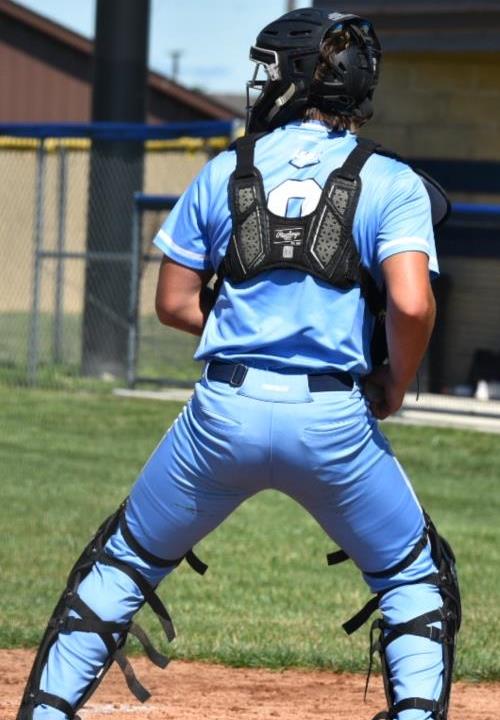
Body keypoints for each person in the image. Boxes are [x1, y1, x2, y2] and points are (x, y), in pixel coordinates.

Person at [18, 8, 460, 720]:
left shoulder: (226, 168)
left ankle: (43, 712)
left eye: (270, 69)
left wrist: (245, 327)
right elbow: (411, 304)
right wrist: (395, 383)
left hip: (221, 414)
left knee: (123, 562)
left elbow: (173, 302)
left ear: (298, 77)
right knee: (414, 581)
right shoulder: (391, 180)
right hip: (332, 418)